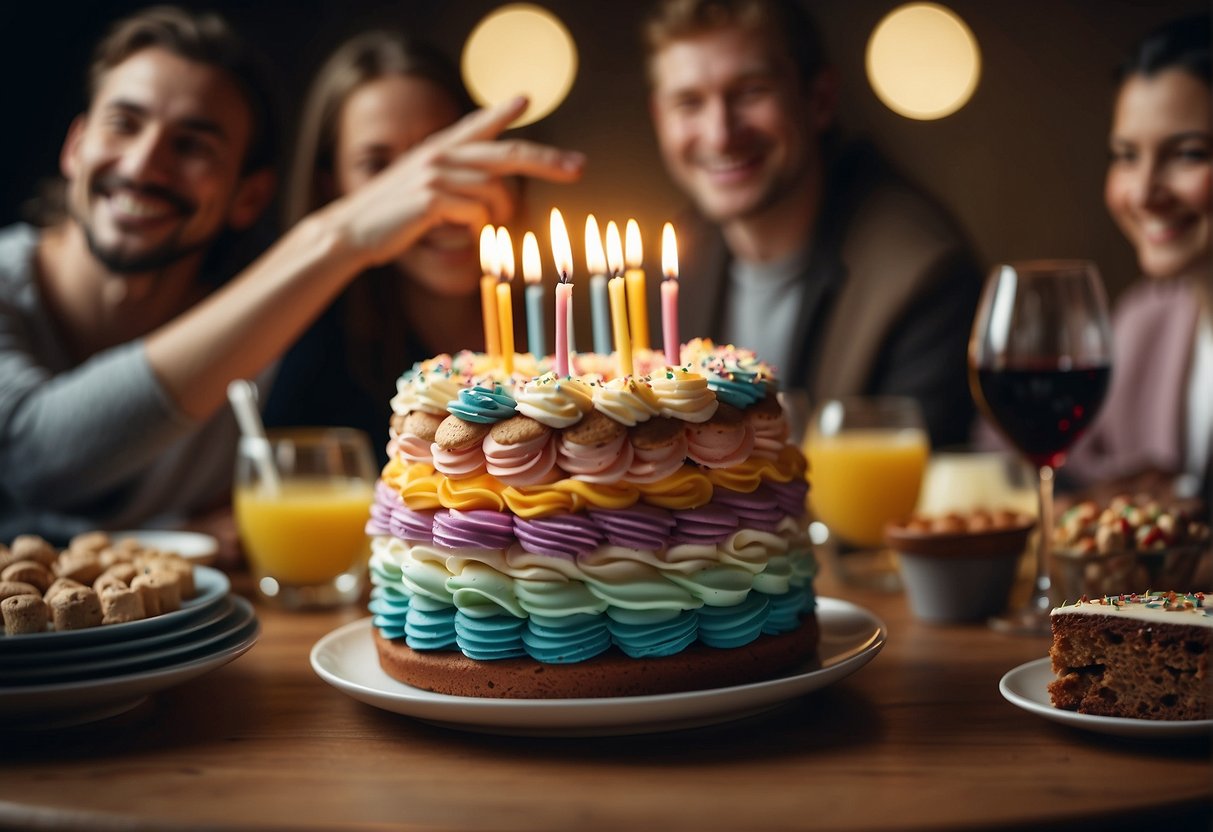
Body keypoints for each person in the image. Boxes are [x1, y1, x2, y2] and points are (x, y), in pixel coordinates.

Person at [0, 7, 583, 544]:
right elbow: (30, 463)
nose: (143, 163)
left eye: (193, 145)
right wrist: (340, 235)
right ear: (74, 144)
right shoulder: (270, 331)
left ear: (250, 196)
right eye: (124, 123)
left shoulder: (260, 338)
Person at [642, 0, 982, 448]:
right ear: (659, 118)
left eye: (751, 92)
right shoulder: (671, 262)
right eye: (689, 102)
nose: (720, 133)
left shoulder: (923, 270)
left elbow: (915, 488)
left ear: (819, 100)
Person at [263, 32, 486, 464]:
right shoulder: (313, 349)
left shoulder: (567, 306)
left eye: (444, 153)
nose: (426, 193)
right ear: (333, 186)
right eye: (379, 166)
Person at [1064, 14, 1211, 501]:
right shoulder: (1146, 319)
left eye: (1188, 153)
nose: (1144, 193)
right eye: (1127, 156)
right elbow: (1005, 454)